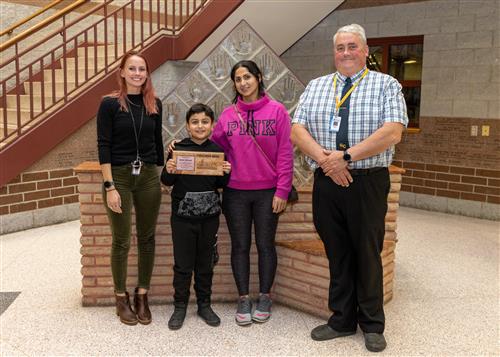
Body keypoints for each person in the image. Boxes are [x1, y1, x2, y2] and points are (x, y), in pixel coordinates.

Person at [291, 24, 408, 352]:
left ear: (365, 50)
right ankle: (341, 319)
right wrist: (328, 162)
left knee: (367, 252)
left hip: (367, 182)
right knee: (337, 251)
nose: (345, 52)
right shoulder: (316, 86)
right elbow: (297, 130)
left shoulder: (386, 84)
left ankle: (372, 323)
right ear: (334, 52)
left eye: (352, 46)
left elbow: (393, 131)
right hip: (326, 182)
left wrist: (346, 157)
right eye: (340, 47)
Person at [211, 60, 294, 325]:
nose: (243, 83)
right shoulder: (227, 115)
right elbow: (213, 149)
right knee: (240, 246)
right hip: (235, 192)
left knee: (265, 245)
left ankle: (265, 296)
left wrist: (282, 190)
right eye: (238, 79)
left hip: (268, 192)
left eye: (248, 76)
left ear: (258, 78)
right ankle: (244, 298)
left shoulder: (278, 111)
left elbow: (285, 154)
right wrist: (182, 148)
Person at [97, 50, 164, 326]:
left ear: (147, 74)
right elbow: (104, 145)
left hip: (147, 175)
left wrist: (162, 165)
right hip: (120, 178)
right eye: (132, 69)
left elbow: (157, 142)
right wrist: (109, 185)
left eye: (142, 69)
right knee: (122, 239)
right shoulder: (109, 104)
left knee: (147, 237)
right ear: (122, 72)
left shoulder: (154, 103)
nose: (137, 73)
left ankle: (142, 296)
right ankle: (121, 298)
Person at [161, 103, 231, 330]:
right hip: (182, 217)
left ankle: (204, 304)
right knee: (182, 264)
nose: (200, 126)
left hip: (209, 217)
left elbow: (220, 185)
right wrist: (169, 168)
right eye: (195, 122)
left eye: (204, 122)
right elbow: (166, 182)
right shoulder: (178, 148)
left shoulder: (217, 151)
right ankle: (180, 306)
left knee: (205, 263)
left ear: (212, 125)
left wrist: (226, 173)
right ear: (187, 126)